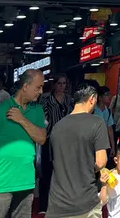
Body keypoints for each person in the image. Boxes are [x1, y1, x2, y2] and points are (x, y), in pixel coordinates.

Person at [0, 69, 46, 218]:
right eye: (38, 87)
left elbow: (41, 138)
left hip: (26, 183)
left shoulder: (37, 110)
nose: (41, 91)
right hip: (0, 183)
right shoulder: (0, 111)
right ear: (26, 87)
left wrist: (22, 119)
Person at [46, 81, 110, 218]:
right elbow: (101, 162)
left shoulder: (57, 127)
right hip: (85, 201)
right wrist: (87, 168)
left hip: (57, 202)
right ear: (92, 99)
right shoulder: (97, 122)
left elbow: (55, 162)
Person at [40, 75, 73, 213]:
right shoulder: (46, 99)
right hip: (50, 139)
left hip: (67, 140)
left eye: (64, 83)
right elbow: (43, 119)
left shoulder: (70, 100)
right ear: (54, 84)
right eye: (59, 83)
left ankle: (63, 202)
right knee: (47, 172)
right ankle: (43, 205)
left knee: (65, 172)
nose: (61, 86)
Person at [94, 85, 115, 157]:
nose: (109, 97)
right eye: (107, 95)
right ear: (100, 97)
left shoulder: (108, 111)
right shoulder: (93, 110)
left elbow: (110, 129)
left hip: (103, 143)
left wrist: (113, 146)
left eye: (109, 94)